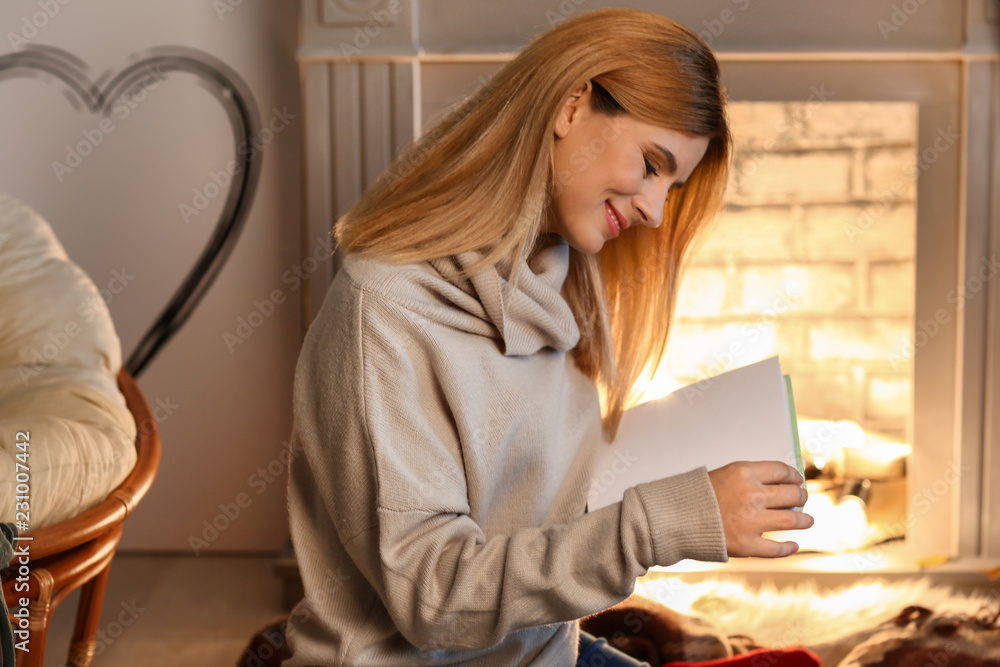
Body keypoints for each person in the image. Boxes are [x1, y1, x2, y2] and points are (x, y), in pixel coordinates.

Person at [284, 7, 814, 666]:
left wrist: (692, 472)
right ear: (570, 106)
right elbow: (434, 598)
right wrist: (660, 521)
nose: (654, 210)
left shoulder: (556, 267)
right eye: (651, 163)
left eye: (671, 186)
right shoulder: (382, 315)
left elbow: (526, 492)